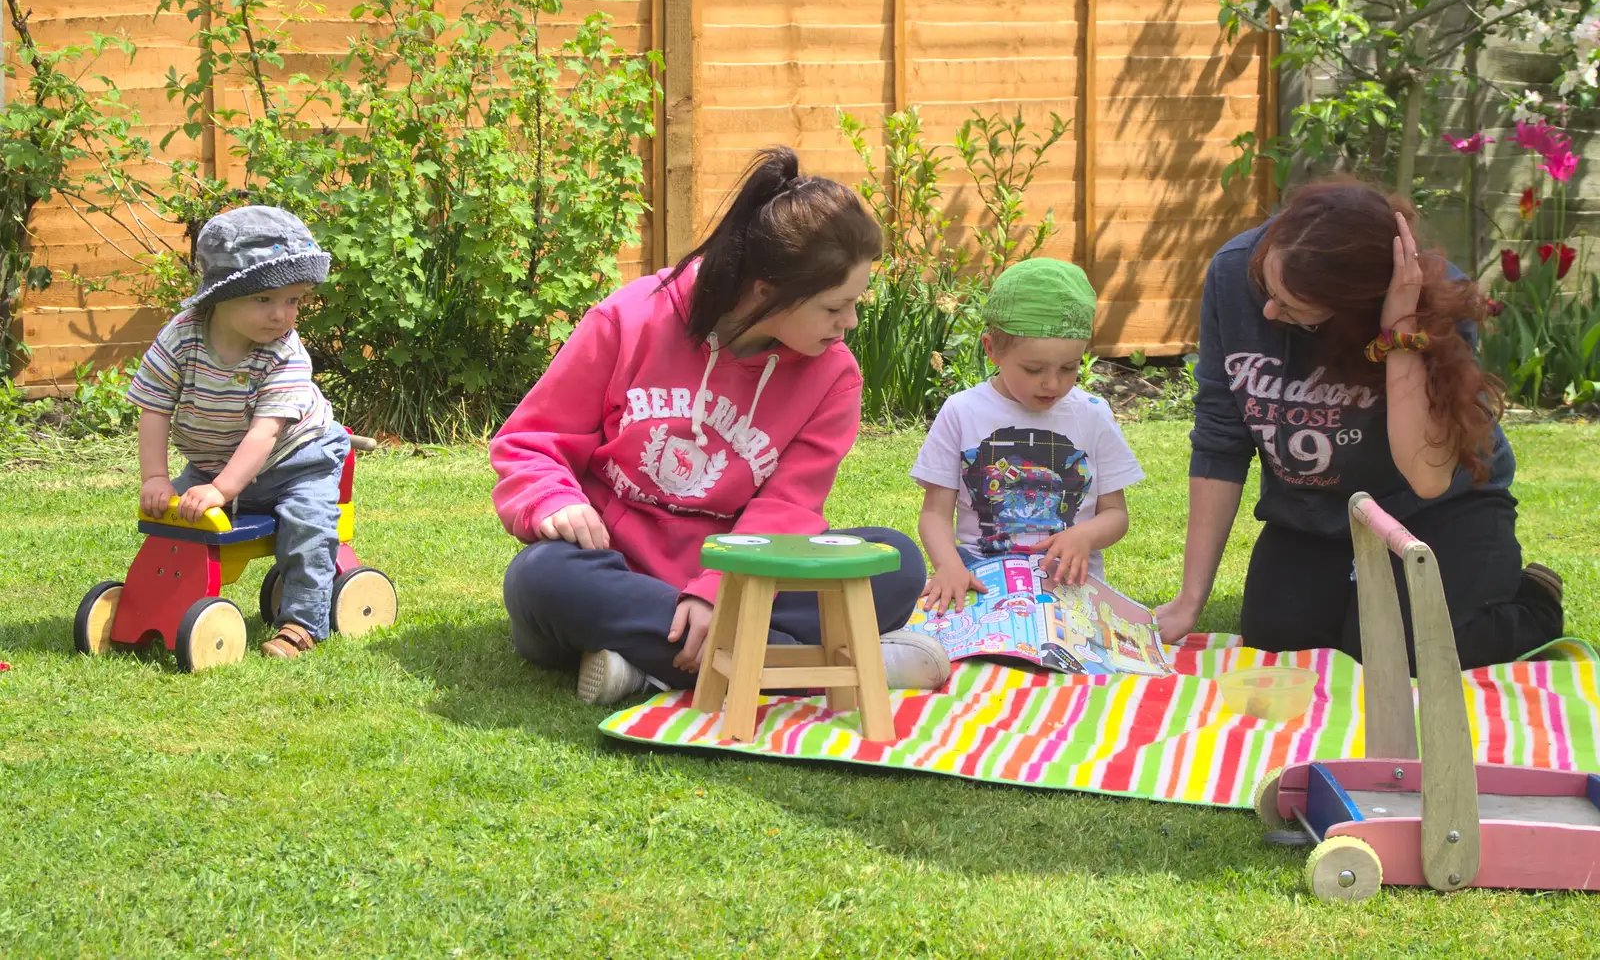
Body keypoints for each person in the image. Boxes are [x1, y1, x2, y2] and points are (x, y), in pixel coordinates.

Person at [492, 147, 950, 706]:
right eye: (835, 307)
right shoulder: (631, 319)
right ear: (765, 293)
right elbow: (529, 441)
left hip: (745, 575)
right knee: (541, 580)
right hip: (615, 567)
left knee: (894, 563)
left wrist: (718, 592)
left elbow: (787, 507)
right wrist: (551, 500)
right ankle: (824, 667)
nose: (849, 323)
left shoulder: (833, 378)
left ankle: (645, 665)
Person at [1153, 179, 1564, 669]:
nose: (1266, 310)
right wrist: (1189, 599)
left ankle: (1533, 605)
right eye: (1265, 286)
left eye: (1291, 309)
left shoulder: (1438, 298)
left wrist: (1399, 333)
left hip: (1440, 513)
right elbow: (1221, 438)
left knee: (1400, 658)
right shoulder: (1232, 270)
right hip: (1312, 514)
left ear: (1353, 307)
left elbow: (1429, 478)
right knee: (1281, 654)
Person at [127, 206, 350, 660]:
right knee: (171, 522)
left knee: (308, 526)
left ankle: (302, 624)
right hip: (212, 462)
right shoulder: (181, 337)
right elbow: (153, 409)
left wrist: (221, 490)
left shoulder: (285, 355)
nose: (280, 315)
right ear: (220, 297)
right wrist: (155, 476)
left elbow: (263, 435)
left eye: (293, 301)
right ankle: (153, 604)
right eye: (264, 299)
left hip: (295, 461)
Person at [911, 258, 1144, 612]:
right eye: (1034, 369)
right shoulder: (962, 412)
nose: (1053, 383)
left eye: (1069, 368)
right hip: (981, 581)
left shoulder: (1092, 415)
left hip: (1071, 589)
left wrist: (1083, 535)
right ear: (991, 349)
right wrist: (949, 566)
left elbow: (1117, 515)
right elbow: (934, 514)